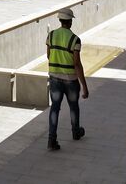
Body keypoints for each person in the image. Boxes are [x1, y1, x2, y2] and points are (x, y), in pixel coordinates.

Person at [46, 8, 88, 151]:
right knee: (73, 106)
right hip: (71, 80)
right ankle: (76, 132)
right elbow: (77, 64)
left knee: (55, 108)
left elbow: (48, 55)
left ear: (60, 20)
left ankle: (52, 139)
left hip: (54, 78)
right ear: (70, 21)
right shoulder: (75, 39)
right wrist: (84, 86)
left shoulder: (51, 35)